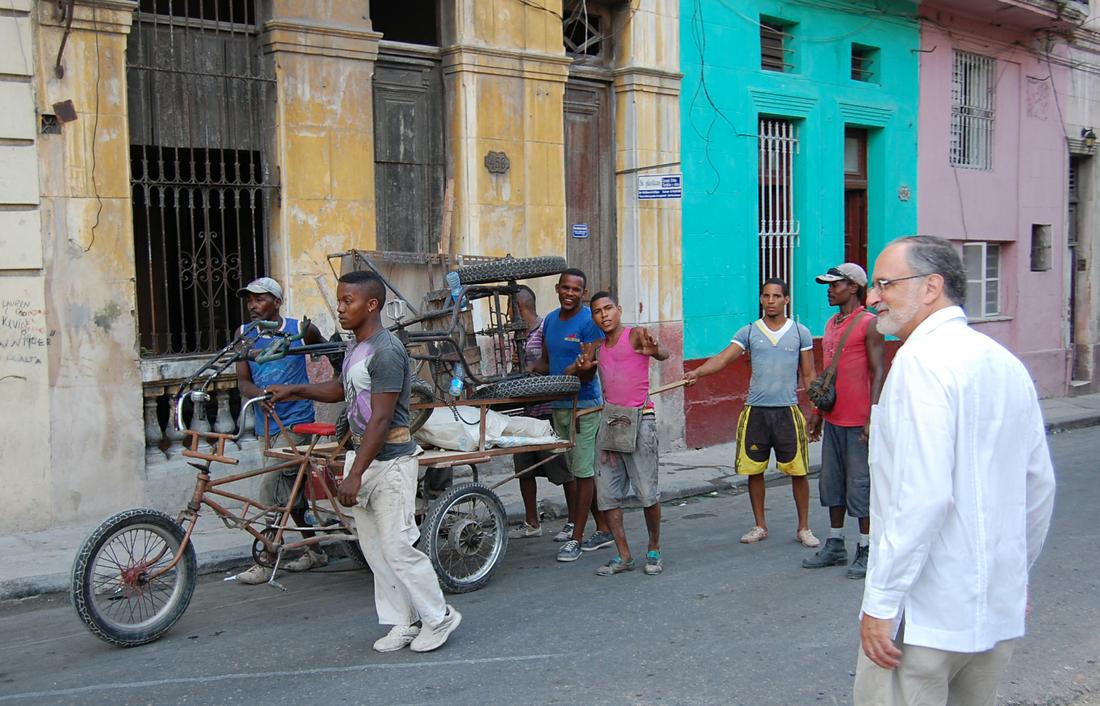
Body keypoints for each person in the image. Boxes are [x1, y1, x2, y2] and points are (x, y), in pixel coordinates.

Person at [854, 236, 1056, 705]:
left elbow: (920, 497)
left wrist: (881, 602)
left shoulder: (921, 363)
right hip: (994, 614)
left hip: (927, 618)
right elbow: (1039, 488)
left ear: (931, 287)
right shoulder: (1003, 362)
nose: (872, 297)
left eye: (885, 283)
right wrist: (1014, 576)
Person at [268, 270, 461, 654]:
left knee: (399, 547)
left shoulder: (387, 351)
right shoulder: (357, 347)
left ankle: (439, 617)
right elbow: (343, 388)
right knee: (375, 550)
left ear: (371, 305)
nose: (340, 309)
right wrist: (295, 388)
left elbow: (381, 418)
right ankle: (402, 622)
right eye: (339, 300)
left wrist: (354, 474)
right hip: (364, 456)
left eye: (347, 301)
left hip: (390, 462)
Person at [683, 278, 820, 548]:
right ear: (761, 299)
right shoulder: (749, 331)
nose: (771, 300)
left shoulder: (800, 332)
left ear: (786, 300)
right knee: (754, 471)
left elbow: (808, 373)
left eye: (776, 296)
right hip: (756, 412)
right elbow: (724, 358)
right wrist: (697, 373)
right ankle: (760, 525)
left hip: (787, 412)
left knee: (799, 472)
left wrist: (816, 409)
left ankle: (804, 527)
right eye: (766, 296)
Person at [232, 277, 328, 585]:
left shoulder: (299, 329)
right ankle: (314, 552)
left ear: (277, 301)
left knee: (270, 489)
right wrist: (257, 397)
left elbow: (330, 351)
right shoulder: (244, 335)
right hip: (267, 424)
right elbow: (243, 380)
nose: (253, 306)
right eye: (250, 300)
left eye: (259, 300)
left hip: (298, 423)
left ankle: (265, 558)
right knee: (291, 492)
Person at [802, 263, 885, 580]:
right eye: (828, 284)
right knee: (831, 483)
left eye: (835, 285)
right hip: (835, 419)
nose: (829, 289)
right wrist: (818, 412)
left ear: (853, 287)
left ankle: (866, 548)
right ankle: (835, 542)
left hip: (859, 421)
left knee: (860, 485)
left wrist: (872, 417)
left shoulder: (870, 324)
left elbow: (878, 372)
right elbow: (827, 375)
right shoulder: (831, 323)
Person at [582, 291, 669, 576]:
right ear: (593, 316)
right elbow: (583, 373)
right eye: (598, 311)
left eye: (609, 308)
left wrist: (654, 349)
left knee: (647, 493)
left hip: (641, 420)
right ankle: (624, 555)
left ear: (618, 310)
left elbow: (663, 353)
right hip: (610, 422)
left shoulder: (635, 335)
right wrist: (580, 367)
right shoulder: (597, 348)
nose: (604, 315)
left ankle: (653, 548)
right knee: (607, 495)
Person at [533, 268, 614, 562]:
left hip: (585, 406)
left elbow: (590, 365)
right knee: (579, 473)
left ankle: (577, 538)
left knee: (583, 473)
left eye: (576, 290)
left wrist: (578, 368)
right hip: (560, 406)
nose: (570, 294)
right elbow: (544, 362)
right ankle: (603, 527)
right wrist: (523, 376)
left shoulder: (589, 323)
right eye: (565, 288)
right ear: (557, 288)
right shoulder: (551, 321)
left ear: (584, 292)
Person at [508, 285, 577, 540]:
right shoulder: (518, 336)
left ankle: (573, 521)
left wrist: (533, 369)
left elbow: (553, 364)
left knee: (562, 468)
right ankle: (531, 522)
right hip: (526, 412)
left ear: (519, 307)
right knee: (524, 469)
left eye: (509, 308)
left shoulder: (545, 328)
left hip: (549, 410)